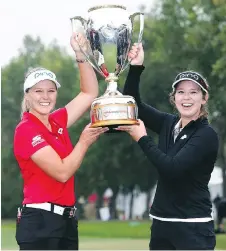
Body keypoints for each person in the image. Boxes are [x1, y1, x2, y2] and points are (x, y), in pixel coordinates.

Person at [116, 43, 219, 250]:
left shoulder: (206, 134)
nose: (186, 98)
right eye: (181, 92)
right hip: (161, 224)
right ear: (174, 98)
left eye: (193, 92)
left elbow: (172, 169)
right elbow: (132, 103)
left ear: (204, 98)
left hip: (193, 228)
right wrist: (136, 67)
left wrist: (142, 138)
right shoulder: (168, 123)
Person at [13, 32, 108, 250]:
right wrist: (83, 142)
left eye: (50, 91)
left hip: (66, 220)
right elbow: (62, 172)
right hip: (39, 222)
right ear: (27, 95)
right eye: (38, 91)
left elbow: (89, 93)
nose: (45, 97)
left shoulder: (56, 120)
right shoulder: (25, 129)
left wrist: (80, 54)